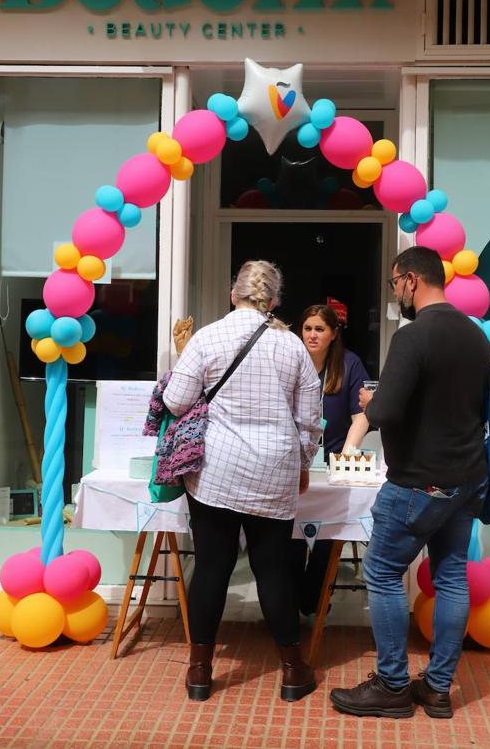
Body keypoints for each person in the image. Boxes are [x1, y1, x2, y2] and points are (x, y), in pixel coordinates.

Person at [330, 246, 490, 720]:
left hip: (418, 481)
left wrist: (369, 403)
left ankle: (394, 685)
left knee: (380, 573)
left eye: (394, 283)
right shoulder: (474, 335)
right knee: (451, 577)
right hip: (465, 479)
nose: (394, 291)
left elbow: (388, 410)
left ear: (411, 280)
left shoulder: (412, 336)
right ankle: (438, 688)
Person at [163, 260, 322, 703]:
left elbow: (176, 403)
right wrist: (303, 464)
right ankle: (292, 671)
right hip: (273, 471)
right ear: (273, 302)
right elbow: (310, 421)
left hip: (215, 470)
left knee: (212, 566)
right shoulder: (292, 347)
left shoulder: (206, 338)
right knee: (272, 568)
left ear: (234, 295)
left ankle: (199, 672)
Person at [291, 304, 369, 615]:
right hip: (296, 460)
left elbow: (361, 415)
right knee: (293, 532)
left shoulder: (349, 364)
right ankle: (293, 595)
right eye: (307, 328)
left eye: (319, 329)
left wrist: (348, 453)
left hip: (334, 461)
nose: (312, 335)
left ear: (334, 334)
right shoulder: (291, 361)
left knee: (329, 530)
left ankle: (313, 598)